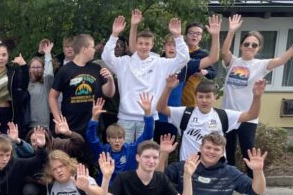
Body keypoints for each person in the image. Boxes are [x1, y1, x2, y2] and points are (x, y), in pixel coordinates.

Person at [221, 14, 293, 195]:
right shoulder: (233, 61)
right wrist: (231, 31)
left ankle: (254, 191)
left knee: (248, 153)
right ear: (241, 45)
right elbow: (224, 50)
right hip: (228, 116)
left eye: (254, 45)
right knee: (227, 154)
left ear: (258, 48)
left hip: (248, 117)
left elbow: (281, 61)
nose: (250, 47)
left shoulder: (260, 65)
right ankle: (228, 187)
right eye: (247, 43)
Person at [101, 14, 188, 142]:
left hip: (148, 117)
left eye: (147, 44)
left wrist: (178, 36)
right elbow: (106, 57)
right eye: (140, 43)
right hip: (125, 118)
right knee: (123, 152)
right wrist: (114, 35)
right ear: (136, 44)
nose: (143, 46)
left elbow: (183, 59)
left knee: (145, 152)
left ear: (152, 45)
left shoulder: (161, 63)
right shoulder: (125, 62)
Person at [157, 76, 266, 162]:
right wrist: (168, 88)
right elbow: (161, 108)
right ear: (195, 98)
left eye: (208, 97)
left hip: (216, 170)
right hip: (188, 168)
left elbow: (252, 115)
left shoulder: (224, 115)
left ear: (215, 98)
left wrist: (257, 97)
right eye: (200, 97)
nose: (204, 100)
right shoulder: (184, 113)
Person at [48, 34, 115, 138]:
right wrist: (58, 120)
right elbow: (52, 96)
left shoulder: (96, 68)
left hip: (94, 127)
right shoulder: (64, 70)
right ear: (84, 49)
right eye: (92, 47)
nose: (94, 50)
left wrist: (110, 80)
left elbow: (109, 93)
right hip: (71, 129)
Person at [86, 93, 154, 183]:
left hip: (128, 186)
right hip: (107, 187)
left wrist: (148, 114)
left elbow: (147, 135)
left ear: (124, 139)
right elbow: (91, 138)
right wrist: (94, 118)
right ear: (108, 139)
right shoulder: (103, 151)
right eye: (114, 138)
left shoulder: (131, 149)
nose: (117, 141)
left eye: (120, 137)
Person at [28, 40, 55, 129]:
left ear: (43, 68)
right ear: (29, 69)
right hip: (26, 125)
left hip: (42, 126)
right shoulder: (26, 84)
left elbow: (49, 73)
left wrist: (47, 54)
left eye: (39, 67)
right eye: (33, 67)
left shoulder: (46, 85)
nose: (36, 69)